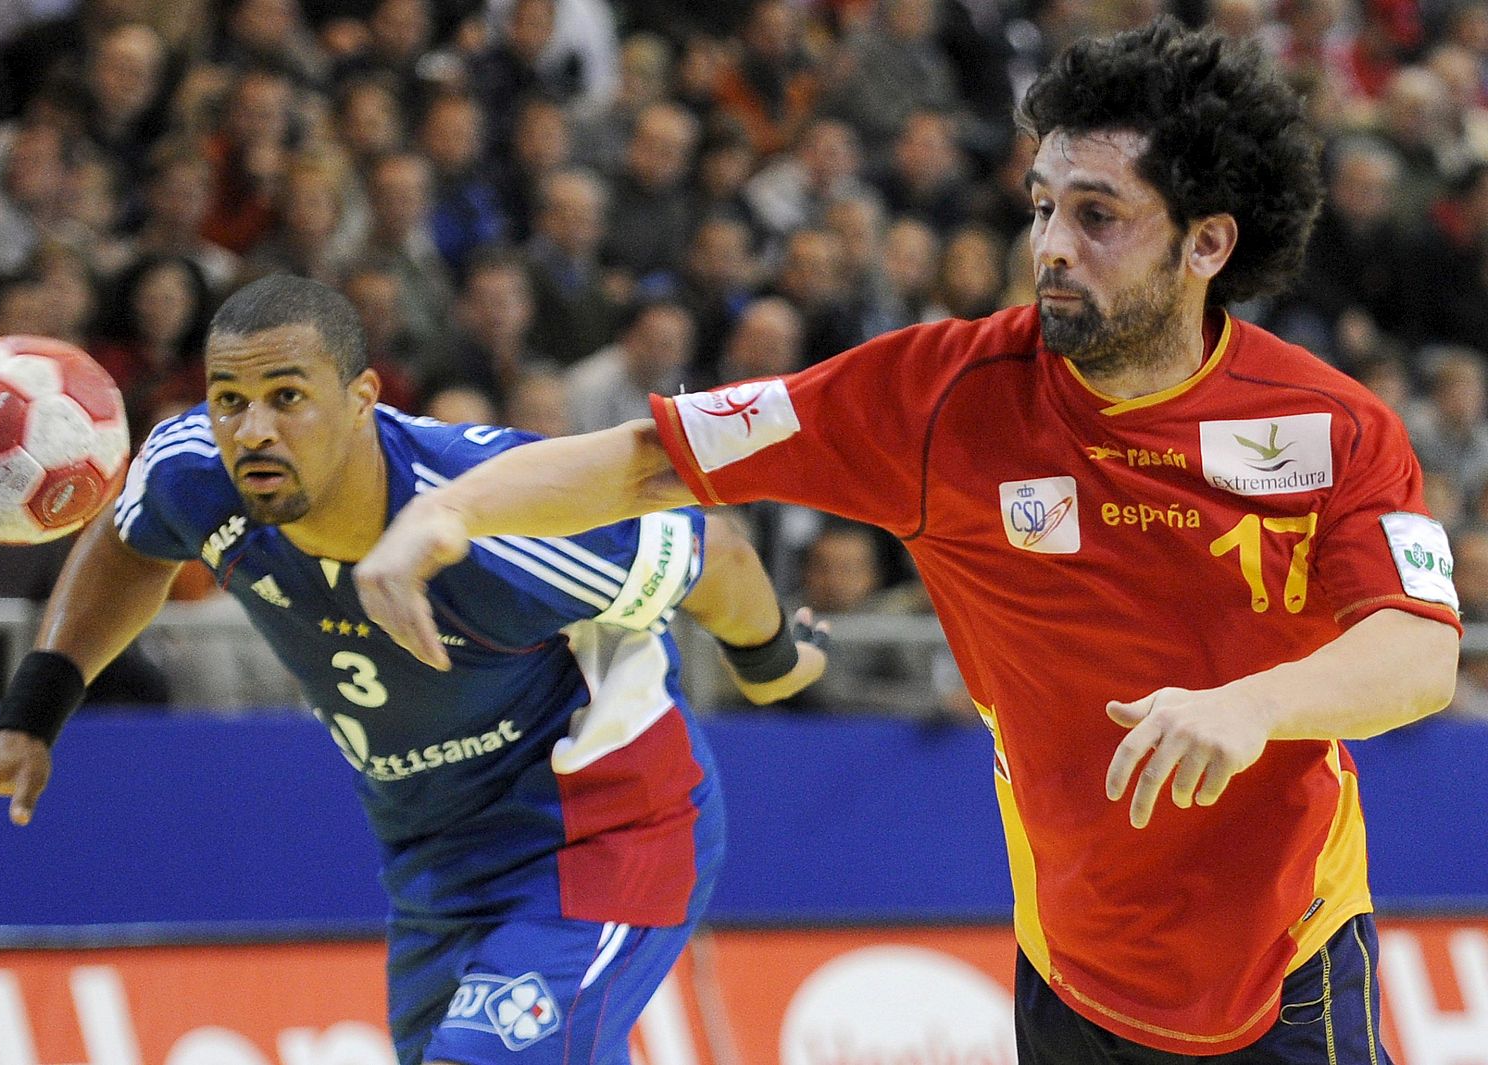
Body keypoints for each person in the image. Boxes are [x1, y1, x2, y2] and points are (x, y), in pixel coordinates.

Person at [350, 19, 1462, 1063]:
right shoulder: (938, 397)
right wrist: (445, 509)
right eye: (1039, 207)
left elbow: (1418, 653)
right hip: (1073, 966)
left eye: (1097, 215)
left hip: (1292, 951)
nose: (1050, 246)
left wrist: (1251, 705)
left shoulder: (1331, 426)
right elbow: (654, 457)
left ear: (1207, 242)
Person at [0, 274, 826, 1064]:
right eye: (229, 399)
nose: (252, 429)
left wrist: (773, 662)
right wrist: (30, 715)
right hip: (435, 861)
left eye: (288, 396)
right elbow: (132, 541)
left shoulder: (500, 520)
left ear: (362, 397)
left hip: (608, 833)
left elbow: (718, 558)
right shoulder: (195, 473)